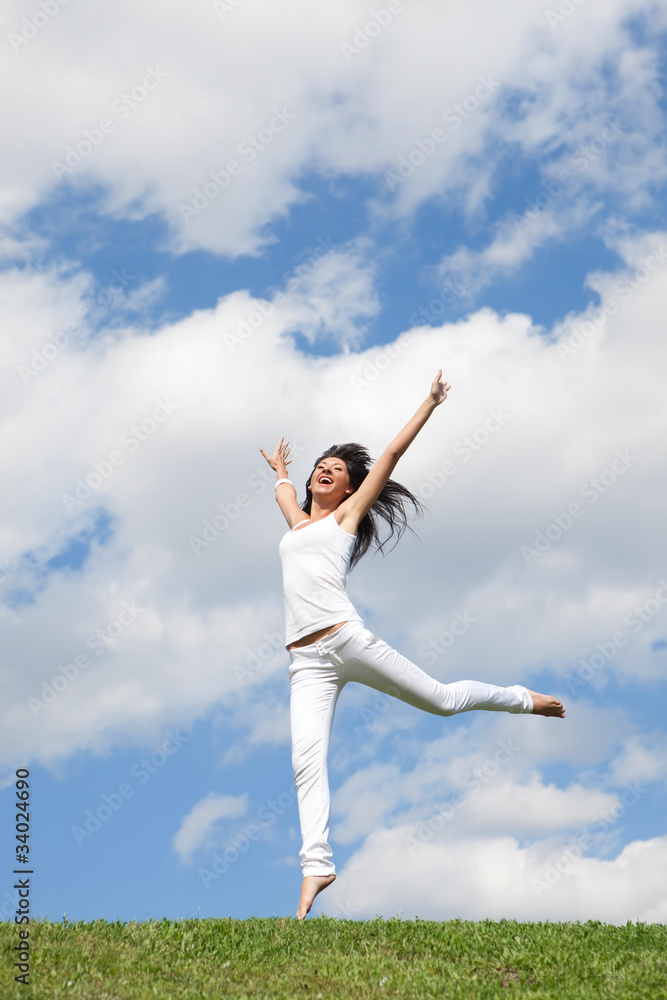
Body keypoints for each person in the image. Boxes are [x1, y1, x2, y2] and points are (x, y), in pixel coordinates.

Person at [260, 370, 564, 920]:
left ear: (350, 489)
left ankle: (523, 698)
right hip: (305, 662)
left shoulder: (346, 518)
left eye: (338, 471)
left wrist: (428, 403)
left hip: (346, 639)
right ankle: (315, 868)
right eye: (320, 467)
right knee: (306, 762)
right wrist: (281, 472)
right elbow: (285, 494)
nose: (325, 471)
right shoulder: (297, 524)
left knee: (442, 700)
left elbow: (392, 456)